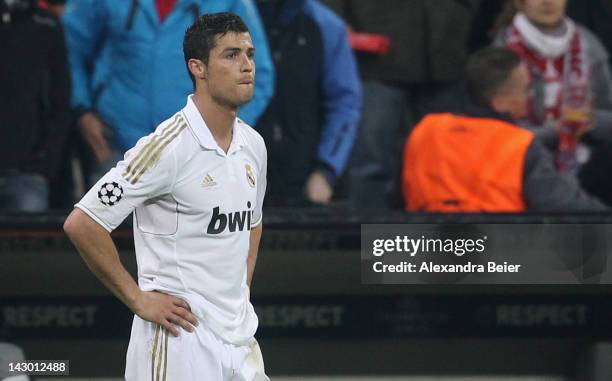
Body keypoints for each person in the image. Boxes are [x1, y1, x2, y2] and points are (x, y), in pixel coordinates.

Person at [64, 13, 269, 380]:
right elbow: (83, 222)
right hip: (180, 342)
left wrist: (239, 295)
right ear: (198, 68)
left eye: (250, 54)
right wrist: (138, 299)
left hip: (239, 340)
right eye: (231, 55)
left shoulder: (253, 145)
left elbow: (253, 224)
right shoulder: (166, 148)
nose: (247, 66)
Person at [62, 0, 274, 185]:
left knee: (196, 231)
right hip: (116, 146)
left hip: (198, 155)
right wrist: (83, 112)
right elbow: (68, 47)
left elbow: (259, 75)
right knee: (99, 225)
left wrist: (222, 137)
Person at [402, 47, 606, 212]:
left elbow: (397, 196)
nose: (530, 97)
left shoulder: (424, 131)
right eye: (525, 90)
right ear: (499, 102)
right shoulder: (519, 145)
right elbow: (566, 206)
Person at [323, 0, 481, 209]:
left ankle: (444, 235)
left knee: (448, 160)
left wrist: (460, 13)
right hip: (376, 56)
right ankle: (368, 235)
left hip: (445, 55)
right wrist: (337, 20)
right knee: (372, 161)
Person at [255, 0, 361, 206]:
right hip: (237, 183)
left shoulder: (326, 26)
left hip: (306, 184)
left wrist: (326, 170)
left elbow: (344, 103)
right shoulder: (225, 22)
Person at [492, 0, 612, 173]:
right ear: (520, 3)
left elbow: (608, 114)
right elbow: (495, 131)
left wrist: (591, 120)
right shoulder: (501, 51)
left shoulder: (589, 45)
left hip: (586, 165)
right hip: (519, 165)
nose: (548, 2)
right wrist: (553, 132)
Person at [0, 0, 71, 212]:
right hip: (26, 169)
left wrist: (45, 163)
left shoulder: (47, 26)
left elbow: (61, 98)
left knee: (31, 243)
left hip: (27, 171)